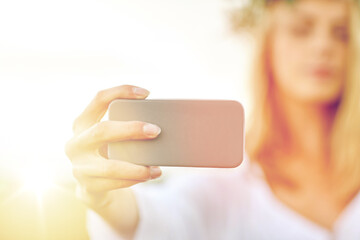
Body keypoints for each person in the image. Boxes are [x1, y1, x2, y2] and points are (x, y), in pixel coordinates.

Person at [64, 0, 360, 239]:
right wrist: (104, 196)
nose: (323, 45)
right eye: (301, 29)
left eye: (343, 33)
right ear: (267, 42)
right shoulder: (224, 185)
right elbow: (157, 221)